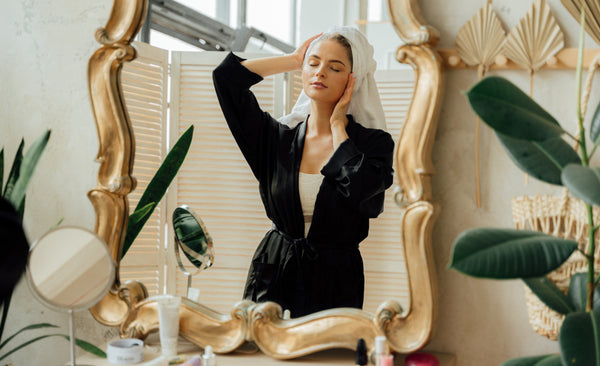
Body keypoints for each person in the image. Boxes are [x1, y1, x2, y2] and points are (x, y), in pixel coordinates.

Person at [212, 26, 394, 317]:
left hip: (337, 278)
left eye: (334, 67)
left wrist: (338, 129)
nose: (320, 72)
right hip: (272, 272)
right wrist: (294, 59)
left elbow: (361, 191)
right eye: (314, 63)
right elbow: (227, 80)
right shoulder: (275, 140)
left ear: (353, 80)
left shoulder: (374, 144)